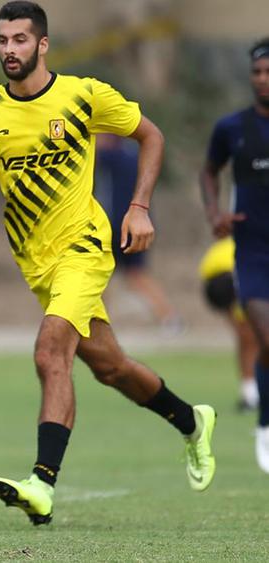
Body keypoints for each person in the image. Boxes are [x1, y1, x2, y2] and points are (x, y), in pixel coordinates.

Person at [0, 1, 216, 525]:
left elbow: (152, 135)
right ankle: (192, 420)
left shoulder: (82, 95)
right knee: (109, 367)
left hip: (86, 246)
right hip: (36, 263)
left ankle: (43, 484)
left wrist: (138, 207)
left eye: (20, 40)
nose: (10, 50)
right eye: (3, 40)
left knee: (51, 351)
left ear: (42, 44)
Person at [199, 37, 269, 472]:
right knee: (266, 337)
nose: (262, 80)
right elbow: (208, 170)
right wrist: (214, 213)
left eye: (268, 73)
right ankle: (265, 426)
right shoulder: (232, 128)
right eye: (257, 73)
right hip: (253, 254)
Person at [95, 134, 183, 334]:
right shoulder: (135, 154)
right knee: (134, 275)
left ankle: (100, 325)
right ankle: (170, 318)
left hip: (115, 226)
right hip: (137, 223)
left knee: (105, 275)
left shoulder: (111, 156)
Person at [198, 238, 259, 410]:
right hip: (229, 280)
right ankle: (250, 391)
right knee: (247, 336)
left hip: (232, 278)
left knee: (248, 336)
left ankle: (250, 390)